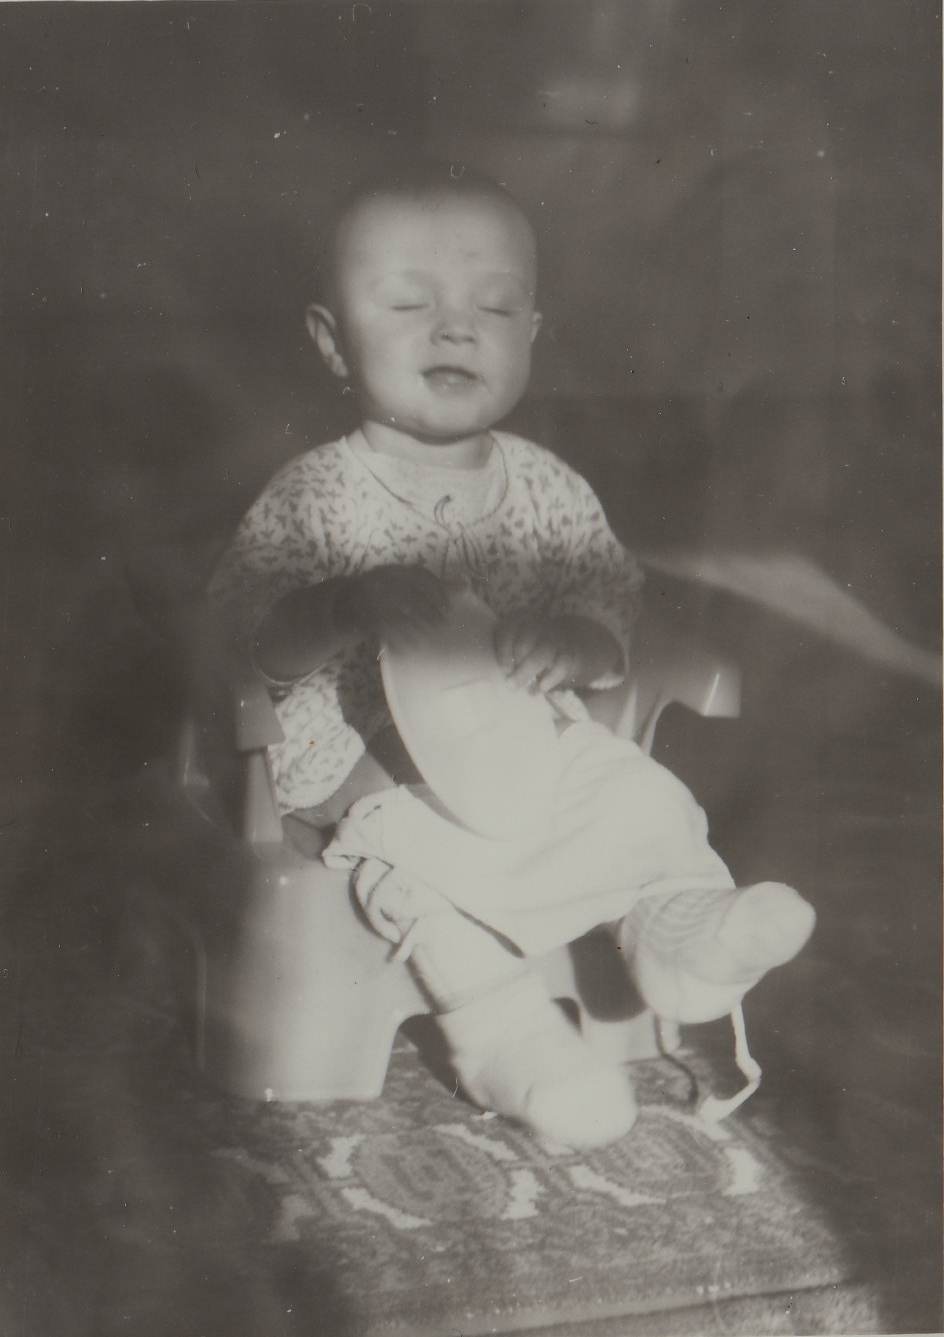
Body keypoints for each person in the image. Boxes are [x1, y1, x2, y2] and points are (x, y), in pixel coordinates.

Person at [209, 161, 814, 1149]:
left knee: (636, 790)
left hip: (523, 744)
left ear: (530, 333)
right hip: (363, 773)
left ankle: (677, 931)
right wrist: (341, 605)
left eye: (492, 307)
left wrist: (577, 643)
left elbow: (611, 608)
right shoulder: (313, 496)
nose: (455, 329)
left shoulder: (549, 488)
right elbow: (247, 643)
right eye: (408, 302)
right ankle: (508, 1040)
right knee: (408, 875)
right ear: (331, 340)